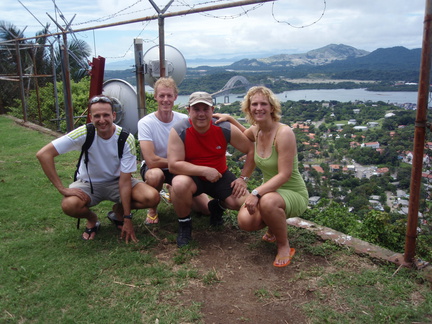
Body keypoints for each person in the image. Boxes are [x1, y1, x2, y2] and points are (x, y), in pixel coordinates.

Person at [36, 95, 160, 243]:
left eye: (106, 115)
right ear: (90, 117)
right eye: (97, 116)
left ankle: (118, 212)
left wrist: (127, 218)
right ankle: (92, 218)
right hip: (89, 183)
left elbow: (125, 181)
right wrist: (62, 189)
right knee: (69, 205)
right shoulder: (84, 133)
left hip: (117, 181)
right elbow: (44, 154)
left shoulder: (125, 138)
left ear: (114, 115)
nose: (102, 120)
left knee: (152, 197)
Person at [214, 86, 309, 267]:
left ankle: (283, 245)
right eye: (254, 104)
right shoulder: (256, 130)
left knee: (267, 202)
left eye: (263, 104)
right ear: (249, 108)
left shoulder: (284, 133)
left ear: (272, 107)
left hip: (292, 191)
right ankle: (273, 228)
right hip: (270, 191)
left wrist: (255, 193)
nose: (259, 108)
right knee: (245, 221)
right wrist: (230, 119)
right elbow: (244, 136)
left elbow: (285, 175)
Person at [168, 91, 255, 247]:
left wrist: (243, 179)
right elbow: (173, 165)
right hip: (192, 177)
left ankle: (217, 206)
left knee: (241, 202)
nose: (201, 114)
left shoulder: (224, 128)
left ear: (212, 110)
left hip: (220, 174)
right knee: (179, 184)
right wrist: (203, 170)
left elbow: (251, 150)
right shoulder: (179, 130)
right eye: (196, 109)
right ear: (189, 111)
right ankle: (184, 225)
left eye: (205, 109)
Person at [137, 77, 209, 224]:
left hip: (179, 169)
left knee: (206, 209)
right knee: (155, 176)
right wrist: (177, 163)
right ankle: (152, 209)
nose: (165, 99)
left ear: (175, 97)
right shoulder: (146, 123)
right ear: (155, 96)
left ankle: (173, 188)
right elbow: (151, 161)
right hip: (157, 168)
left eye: (169, 95)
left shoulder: (183, 120)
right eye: (162, 95)